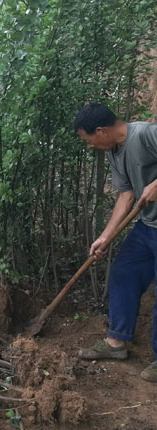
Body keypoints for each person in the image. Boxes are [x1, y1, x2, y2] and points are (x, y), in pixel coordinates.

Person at [74, 103, 157, 382]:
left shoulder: (145, 134)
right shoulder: (114, 152)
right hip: (148, 227)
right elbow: (126, 196)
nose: (91, 146)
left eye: (89, 140)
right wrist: (105, 237)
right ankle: (116, 343)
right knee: (123, 271)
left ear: (101, 131)